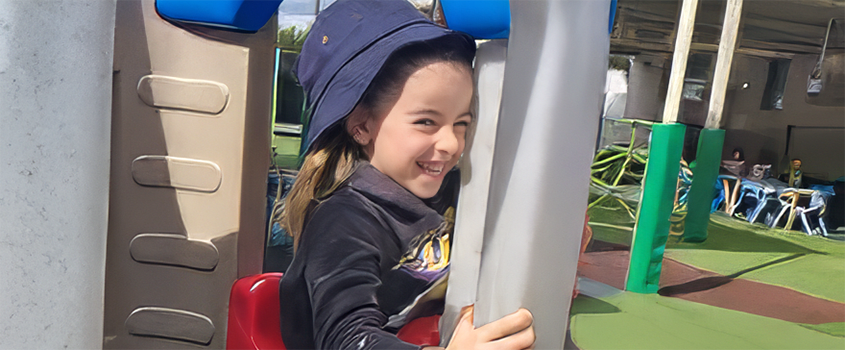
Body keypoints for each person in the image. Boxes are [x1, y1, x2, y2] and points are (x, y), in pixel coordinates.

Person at [278, 1, 535, 350]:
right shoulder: (343, 221)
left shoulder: (456, 194)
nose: (451, 143)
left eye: (462, 123)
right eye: (426, 122)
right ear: (362, 125)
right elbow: (346, 337)